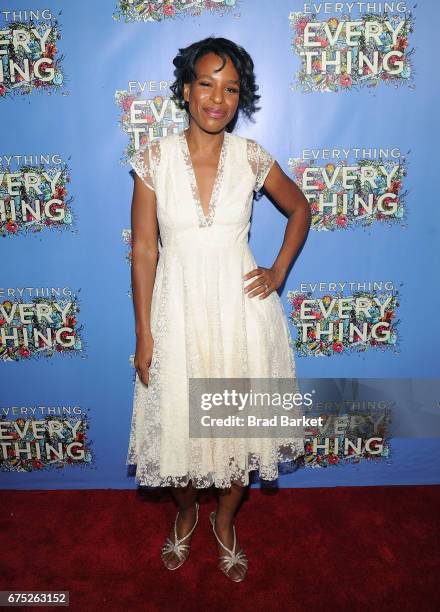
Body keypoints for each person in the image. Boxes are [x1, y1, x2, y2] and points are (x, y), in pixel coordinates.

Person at [127, 36, 311, 582]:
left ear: (240, 98)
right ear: (185, 90)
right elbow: (143, 249)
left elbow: (300, 206)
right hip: (176, 312)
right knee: (178, 429)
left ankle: (225, 520)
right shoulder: (153, 159)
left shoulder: (251, 157)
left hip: (240, 316)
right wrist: (143, 332)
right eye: (206, 83)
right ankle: (186, 513)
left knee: (239, 431)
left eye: (231, 88)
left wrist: (277, 272)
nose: (217, 97)